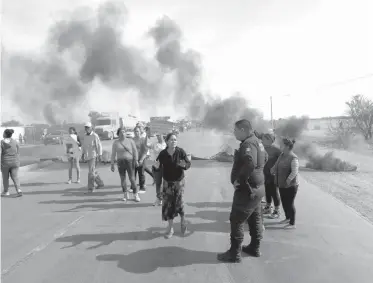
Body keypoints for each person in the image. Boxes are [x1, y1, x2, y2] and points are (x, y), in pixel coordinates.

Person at [217, 119, 266, 263]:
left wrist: (241, 180)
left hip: (248, 190)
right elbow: (265, 158)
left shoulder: (248, 144)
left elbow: (250, 163)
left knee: (237, 220)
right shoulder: (258, 141)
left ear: (243, 130)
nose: (234, 133)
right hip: (258, 188)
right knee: (255, 218)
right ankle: (254, 248)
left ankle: (234, 253)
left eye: (235, 130)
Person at [155, 133, 191, 239]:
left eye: (175, 140)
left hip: (179, 183)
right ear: (166, 142)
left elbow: (188, 164)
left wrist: (184, 165)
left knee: (179, 204)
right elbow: (157, 167)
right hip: (167, 183)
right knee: (168, 206)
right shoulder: (162, 154)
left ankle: (183, 220)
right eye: (171, 140)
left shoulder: (181, 152)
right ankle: (170, 228)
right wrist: (156, 168)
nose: (174, 141)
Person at [271, 138, 299, 229]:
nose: (280, 146)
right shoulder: (282, 155)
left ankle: (292, 223)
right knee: (284, 202)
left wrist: (288, 180)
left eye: (282, 145)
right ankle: (287, 218)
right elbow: (276, 164)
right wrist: (273, 169)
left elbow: (294, 172)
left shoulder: (293, 157)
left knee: (290, 203)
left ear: (287, 146)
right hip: (281, 184)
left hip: (291, 185)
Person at [110, 128, 140, 202]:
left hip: (129, 162)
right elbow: (113, 154)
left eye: (124, 132)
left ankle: (136, 194)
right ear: (118, 134)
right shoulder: (116, 143)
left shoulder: (130, 141)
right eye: (121, 132)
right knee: (123, 179)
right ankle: (125, 194)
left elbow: (135, 151)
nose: (123, 133)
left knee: (132, 178)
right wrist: (112, 164)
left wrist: (136, 160)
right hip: (120, 162)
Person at [261, 133, 282, 218]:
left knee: (274, 191)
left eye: (264, 139)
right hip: (265, 173)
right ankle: (268, 207)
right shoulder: (261, 148)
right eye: (262, 139)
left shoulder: (276, 150)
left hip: (274, 174)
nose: (262, 141)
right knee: (267, 190)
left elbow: (282, 160)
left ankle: (277, 210)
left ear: (270, 140)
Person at [82, 122, 104, 193]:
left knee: (91, 172)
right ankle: (100, 183)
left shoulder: (95, 135)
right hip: (88, 156)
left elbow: (99, 145)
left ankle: (90, 188)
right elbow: (84, 146)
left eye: (88, 127)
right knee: (93, 172)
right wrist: (83, 155)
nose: (87, 129)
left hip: (94, 156)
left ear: (91, 128)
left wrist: (100, 155)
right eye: (86, 127)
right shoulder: (85, 136)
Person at [1, 129, 22, 197]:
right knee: (15, 177)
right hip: (15, 162)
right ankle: (19, 190)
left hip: (5, 162)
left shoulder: (1, 142)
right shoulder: (14, 141)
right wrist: (17, 157)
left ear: (5, 134)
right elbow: (18, 149)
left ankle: (6, 191)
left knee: (5, 178)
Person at [133, 126, 152, 194]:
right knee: (133, 173)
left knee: (141, 173)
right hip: (134, 159)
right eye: (135, 131)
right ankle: (133, 186)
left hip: (142, 158)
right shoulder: (132, 140)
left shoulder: (143, 139)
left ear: (140, 132)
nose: (136, 133)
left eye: (137, 131)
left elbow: (145, 150)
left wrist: (141, 159)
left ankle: (142, 187)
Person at [149, 134, 167, 206]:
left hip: (166, 166)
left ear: (163, 135)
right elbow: (147, 146)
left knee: (165, 183)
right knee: (158, 183)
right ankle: (158, 198)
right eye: (157, 135)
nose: (158, 137)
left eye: (160, 135)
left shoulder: (167, 144)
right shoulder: (154, 144)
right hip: (157, 165)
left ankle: (163, 198)